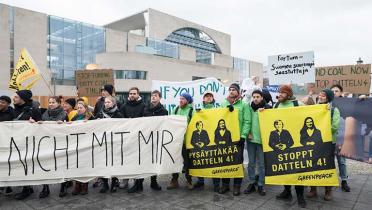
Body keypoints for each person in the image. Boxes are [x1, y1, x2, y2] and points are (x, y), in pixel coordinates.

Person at [271, 85, 307, 208]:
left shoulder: (298, 104)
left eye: (283, 93)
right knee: (284, 169)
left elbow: (312, 114)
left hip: (295, 145)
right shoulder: (276, 105)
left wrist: (325, 108)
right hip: (281, 148)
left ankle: (300, 196)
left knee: (297, 171)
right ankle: (287, 191)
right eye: (279, 92)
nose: (279, 95)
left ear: (289, 94)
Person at [307, 89, 340, 201]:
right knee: (313, 165)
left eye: (323, 96)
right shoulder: (314, 108)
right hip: (315, 143)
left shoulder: (334, 110)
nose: (320, 97)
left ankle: (328, 190)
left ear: (329, 98)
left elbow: (335, 127)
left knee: (327, 166)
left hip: (328, 143)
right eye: (320, 95)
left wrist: (322, 131)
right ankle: (313, 189)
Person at [219, 83, 251, 196]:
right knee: (225, 161)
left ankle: (237, 186)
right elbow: (218, 119)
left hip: (238, 139)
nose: (231, 91)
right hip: (226, 139)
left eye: (234, 89)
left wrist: (243, 136)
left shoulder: (244, 105)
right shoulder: (223, 103)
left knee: (238, 162)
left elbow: (247, 121)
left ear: (238, 92)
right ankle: (225, 184)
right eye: (230, 89)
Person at [12, 90, 42, 200]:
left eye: (16, 97)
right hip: (16, 142)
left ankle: (26, 189)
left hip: (28, 143)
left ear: (23, 99)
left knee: (26, 164)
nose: (13, 98)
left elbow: (41, 125)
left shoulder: (33, 110)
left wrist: (34, 123)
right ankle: (27, 187)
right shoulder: (14, 109)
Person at [38, 96, 67, 198]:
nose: (50, 104)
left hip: (60, 144)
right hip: (47, 143)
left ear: (59, 103)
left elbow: (69, 127)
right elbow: (41, 124)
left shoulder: (64, 114)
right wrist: (38, 123)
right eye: (49, 102)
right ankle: (45, 188)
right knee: (45, 165)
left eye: (53, 102)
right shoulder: (45, 113)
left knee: (61, 165)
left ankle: (63, 186)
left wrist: (64, 124)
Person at [244, 90, 271, 196]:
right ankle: (251, 182)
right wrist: (248, 133)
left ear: (262, 97)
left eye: (257, 97)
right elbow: (246, 121)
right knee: (251, 164)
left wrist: (267, 109)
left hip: (262, 141)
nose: (255, 99)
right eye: (254, 97)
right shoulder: (249, 108)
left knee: (262, 165)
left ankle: (260, 184)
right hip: (251, 140)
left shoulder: (266, 108)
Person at [94, 96, 123, 193]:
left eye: (109, 102)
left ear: (113, 103)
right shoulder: (99, 114)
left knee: (114, 163)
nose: (106, 103)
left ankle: (114, 183)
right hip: (102, 143)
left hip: (114, 143)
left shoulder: (118, 115)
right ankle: (105, 184)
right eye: (105, 102)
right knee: (102, 163)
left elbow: (122, 127)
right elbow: (92, 125)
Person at [167, 92, 194, 190]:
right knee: (175, 161)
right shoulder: (176, 109)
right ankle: (174, 181)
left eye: (183, 99)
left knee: (187, 163)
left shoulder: (191, 111)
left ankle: (189, 181)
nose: (181, 100)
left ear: (188, 100)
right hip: (176, 141)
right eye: (180, 98)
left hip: (186, 142)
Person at [120, 87, 145, 193]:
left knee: (138, 160)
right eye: (130, 93)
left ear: (138, 94)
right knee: (126, 159)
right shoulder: (124, 106)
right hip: (127, 138)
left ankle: (138, 182)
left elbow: (146, 119)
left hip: (139, 138)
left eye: (134, 93)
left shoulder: (143, 105)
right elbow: (120, 120)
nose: (132, 95)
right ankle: (125, 180)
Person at [143, 90, 169, 191]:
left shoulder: (164, 111)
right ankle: (139, 182)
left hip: (157, 139)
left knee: (155, 160)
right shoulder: (145, 110)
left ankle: (153, 181)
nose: (153, 97)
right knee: (144, 160)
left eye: (155, 96)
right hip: (146, 138)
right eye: (152, 96)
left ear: (159, 98)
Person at [194, 91, 218, 190]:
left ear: (213, 98)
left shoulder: (217, 110)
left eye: (210, 96)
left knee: (214, 161)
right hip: (203, 141)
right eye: (206, 96)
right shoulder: (199, 111)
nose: (208, 98)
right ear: (203, 99)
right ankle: (200, 181)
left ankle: (216, 183)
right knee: (201, 160)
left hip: (213, 140)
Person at [330, 84, 351, 192]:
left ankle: (344, 181)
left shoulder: (347, 103)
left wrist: (363, 98)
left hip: (341, 138)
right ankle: (331, 181)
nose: (334, 92)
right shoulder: (326, 103)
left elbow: (359, 106)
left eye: (336, 91)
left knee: (341, 161)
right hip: (329, 138)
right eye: (332, 91)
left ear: (341, 92)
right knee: (330, 161)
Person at [71, 102, 94, 196]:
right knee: (77, 165)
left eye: (81, 107)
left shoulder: (91, 117)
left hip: (87, 145)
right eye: (78, 108)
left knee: (85, 165)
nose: (79, 109)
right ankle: (77, 185)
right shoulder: (75, 118)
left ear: (85, 108)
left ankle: (84, 185)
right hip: (77, 144)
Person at [0, 95, 15, 196]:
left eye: (3, 102)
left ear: (8, 104)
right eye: (0, 101)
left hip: (7, 143)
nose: (0, 103)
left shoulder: (11, 113)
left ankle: (7, 184)